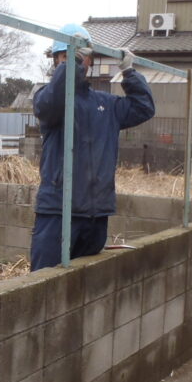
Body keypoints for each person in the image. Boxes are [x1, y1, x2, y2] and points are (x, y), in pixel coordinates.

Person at [30, 23, 155, 270]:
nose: (77, 62)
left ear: (91, 61)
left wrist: (129, 73)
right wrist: (72, 64)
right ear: (56, 61)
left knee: (85, 288)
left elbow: (143, 108)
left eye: (82, 56)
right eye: (67, 57)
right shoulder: (48, 98)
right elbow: (55, 98)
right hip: (58, 212)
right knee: (43, 284)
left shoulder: (105, 104)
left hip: (96, 216)